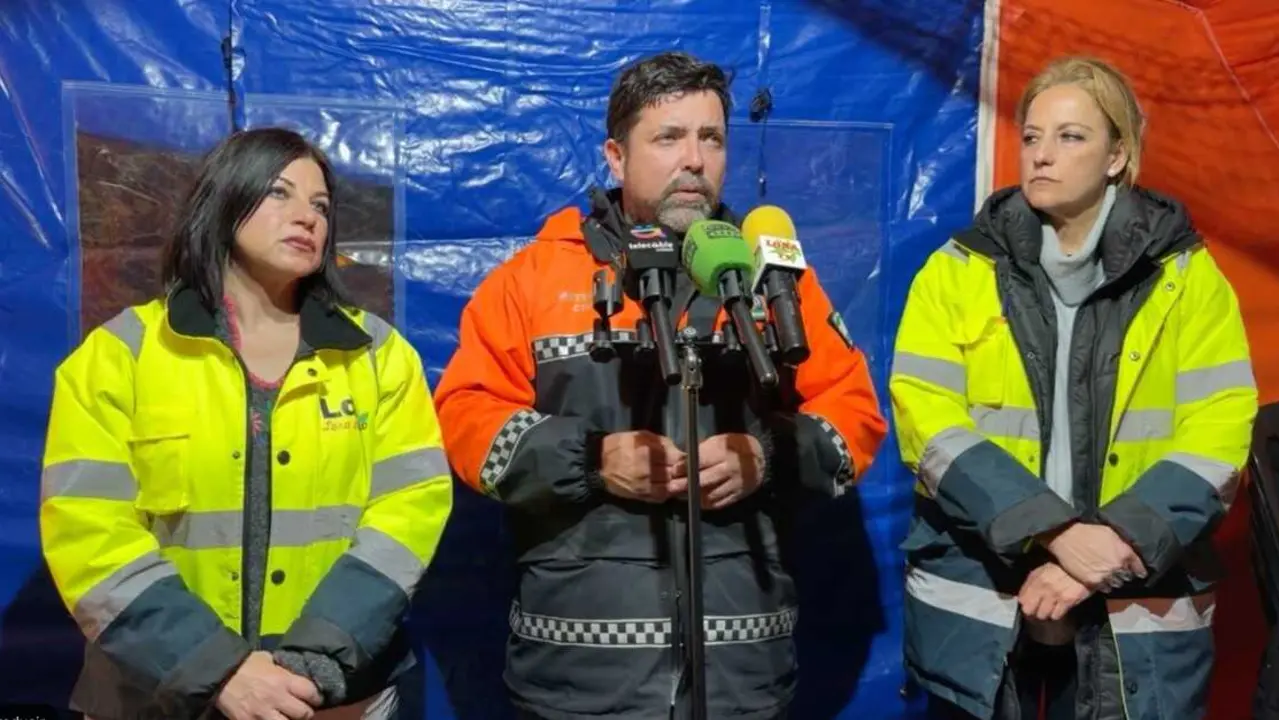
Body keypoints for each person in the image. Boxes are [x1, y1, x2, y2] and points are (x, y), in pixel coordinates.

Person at [432, 51, 888, 719]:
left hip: (743, 677)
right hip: (577, 684)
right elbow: (465, 420)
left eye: (711, 138)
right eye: (669, 137)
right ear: (615, 157)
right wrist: (590, 461)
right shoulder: (529, 280)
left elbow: (854, 414)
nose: (695, 159)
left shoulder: (776, 279)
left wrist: (765, 456)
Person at [39, 127, 453, 720]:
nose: (307, 218)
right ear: (224, 201)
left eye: (321, 206)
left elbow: (411, 510)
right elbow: (86, 529)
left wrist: (314, 661)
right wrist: (216, 669)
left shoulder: (378, 356)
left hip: (333, 697)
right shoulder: (119, 356)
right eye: (279, 193)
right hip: (158, 696)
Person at [890, 55, 1257, 719]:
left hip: (1132, 613)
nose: (1042, 156)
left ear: (1119, 154)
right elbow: (927, 420)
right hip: (984, 604)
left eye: (1071, 136)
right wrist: (1054, 530)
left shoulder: (1188, 280)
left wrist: (1109, 550)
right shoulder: (956, 271)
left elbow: (1220, 430)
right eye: (1032, 136)